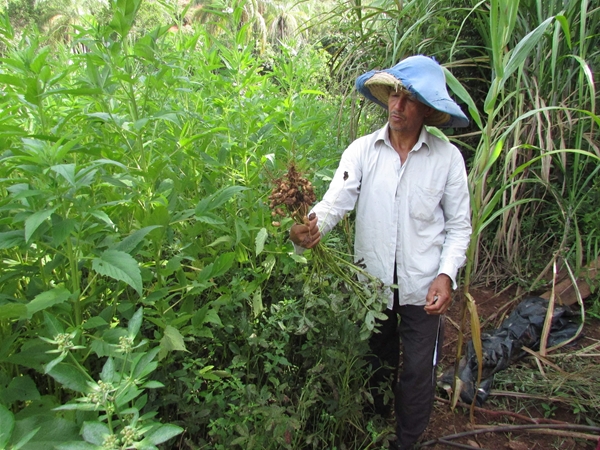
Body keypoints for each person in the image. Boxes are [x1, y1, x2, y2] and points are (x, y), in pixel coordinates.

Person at [289, 55, 472, 449]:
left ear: (426, 108)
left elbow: (459, 227)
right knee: (376, 363)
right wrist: (309, 227)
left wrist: (446, 275)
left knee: (419, 370)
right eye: (393, 94)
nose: (397, 105)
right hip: (370, 286)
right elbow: (335, 202)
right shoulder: (362, 151)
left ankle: (406, 441)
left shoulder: (447, 160)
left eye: (408, 98)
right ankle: (374, 428)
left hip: (424, 288)